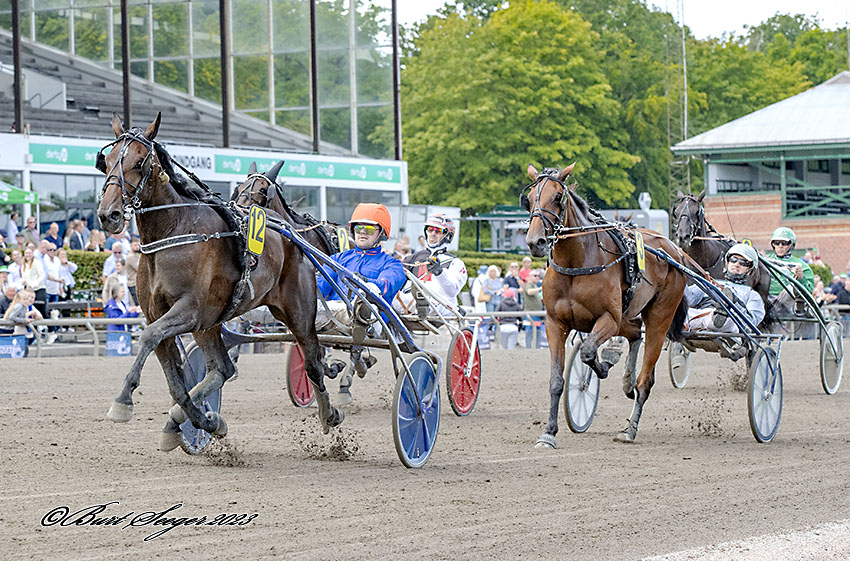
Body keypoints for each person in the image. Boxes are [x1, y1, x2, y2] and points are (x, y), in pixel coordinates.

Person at [315, 203, 406, 404]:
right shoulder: (338, 258)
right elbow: (319, 286)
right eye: (358, 228)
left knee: (361, 306)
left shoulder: (392, 264)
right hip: (331, 313)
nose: (362, 232)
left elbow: (387, 283)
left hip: (369, 320)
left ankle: (358, 316)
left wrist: (368, 286)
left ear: (381, 234)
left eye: (370, 228)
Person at [393, 214, 468, 317]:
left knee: (435, 303)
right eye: (430, 229)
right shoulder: (414, 257)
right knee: (385, 295)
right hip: (410, 302)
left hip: (440, 306)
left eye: (438, 231)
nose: (433, 234)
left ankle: (423, 304)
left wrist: (440, 273)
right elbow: (396, 278)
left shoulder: (455, 262)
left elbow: (452, 291)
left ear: (448, 235)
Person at [682, 244, 766, 334]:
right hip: (699, 315)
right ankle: (714, 317)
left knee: (731, 322)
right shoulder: (710, 283)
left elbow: (752, 321)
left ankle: (719, 317)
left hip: (729, 322)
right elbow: (689, 299)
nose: (737, 265)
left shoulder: (752, 294)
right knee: (679, 313)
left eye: (743, 263)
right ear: (727, 263)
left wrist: (735, 301)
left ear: (749, 271)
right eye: (733, 260)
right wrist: (679, 279)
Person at [765, 227, 814, 313]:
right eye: (777, 243)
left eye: (784, 243)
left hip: (789, 305)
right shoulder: (765, 260)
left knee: (792, 287)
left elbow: (809, 292)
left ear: (791, 245)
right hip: (764, 299)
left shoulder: (803, 266)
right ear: (773, 245)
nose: (780, 246)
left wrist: (801, 279)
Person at [4, 288, 42, 353]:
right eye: (24, 299)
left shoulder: (26, 306)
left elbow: (40, 316)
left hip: (25, 333)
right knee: (22, 350)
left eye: (27, 299)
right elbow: (12, 317)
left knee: (25, 349)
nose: (26, 301)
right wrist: (24, 320)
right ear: (19, 300)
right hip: (19, 332)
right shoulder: (19, 306)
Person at [20, 247, 46, 320]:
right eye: (26, 253)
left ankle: (49, 329)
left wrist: (34, 284)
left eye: (29, 253)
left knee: (41, 310)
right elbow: (24, 276)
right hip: (29, 290)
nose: (28, 255)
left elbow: (42, 275)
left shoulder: (36, 262)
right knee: (30, 309)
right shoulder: (24, 265)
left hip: (38, 289)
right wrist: (23, 281)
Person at [522, 269, 545, 348]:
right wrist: (540, 289)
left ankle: (536, 348)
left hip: (537, 315)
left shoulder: (535, 285)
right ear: (529, 277)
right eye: (535, 276)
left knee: (538, 333)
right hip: (530, 315)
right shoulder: (528, 284)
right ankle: (528, 349)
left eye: (538, 276)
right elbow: (529, 292)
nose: (537, 277)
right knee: (529, 333)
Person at [469, 265, 490, 349]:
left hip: (478, 305)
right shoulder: (488, 280)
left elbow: (473, 293)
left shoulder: (477, 280)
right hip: (487, 306)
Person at [482, 265, 504, 340]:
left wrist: (500, 291)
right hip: (490, 300)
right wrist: (494, 292)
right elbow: (485, 290)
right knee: (490, 317)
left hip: (498, 300)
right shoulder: (486, 280)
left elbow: (502, 288)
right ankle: (488, 332)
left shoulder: (499, 280)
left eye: (494, 271)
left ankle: (496, 333)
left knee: (497, 317)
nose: (493, 273)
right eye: (491, 271)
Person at [125, 236, 141, 305]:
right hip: (133, 284)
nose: (137, 247)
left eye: (138, 245)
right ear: (130, 245)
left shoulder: (136, 255)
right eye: (135, 245)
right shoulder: (130, 257)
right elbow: (139, 269)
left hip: (137, 284)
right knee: (138, 306)